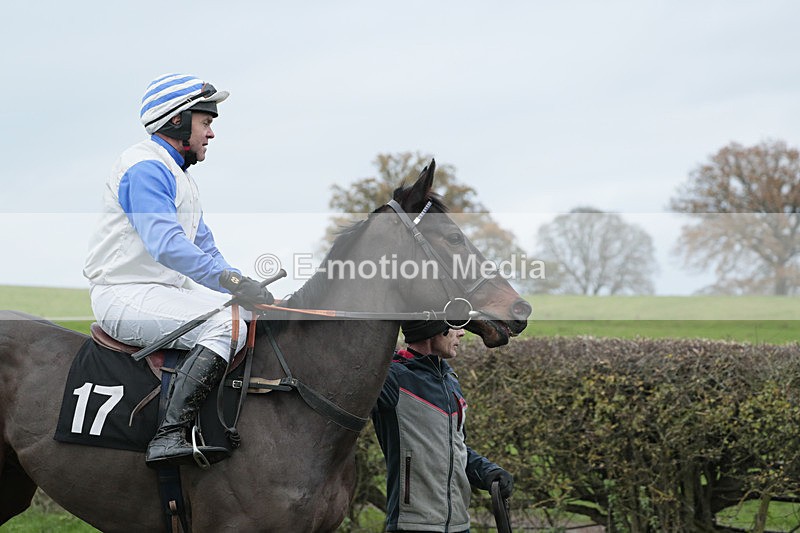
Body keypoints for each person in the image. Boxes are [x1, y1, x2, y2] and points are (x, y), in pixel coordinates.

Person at [83, 73, 274, 466]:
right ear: (177, 122)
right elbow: (167, 245)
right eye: (206, 122)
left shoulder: (178, 175)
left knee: (249, 313)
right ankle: (169, 434)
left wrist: (241, 285)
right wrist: (229, 281)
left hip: (161, 291)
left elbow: (204, 246)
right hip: (125, 293)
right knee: (228, 326)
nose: (211, 133)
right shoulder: (145, 168)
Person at [371, 320, 514, 532]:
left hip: (459, 525)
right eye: (456, 324)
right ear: (434, 328)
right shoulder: (391, 378)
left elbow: (455, 450)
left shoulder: (450, 381)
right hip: (413, 525)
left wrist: (488, 472)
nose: (462, 333)